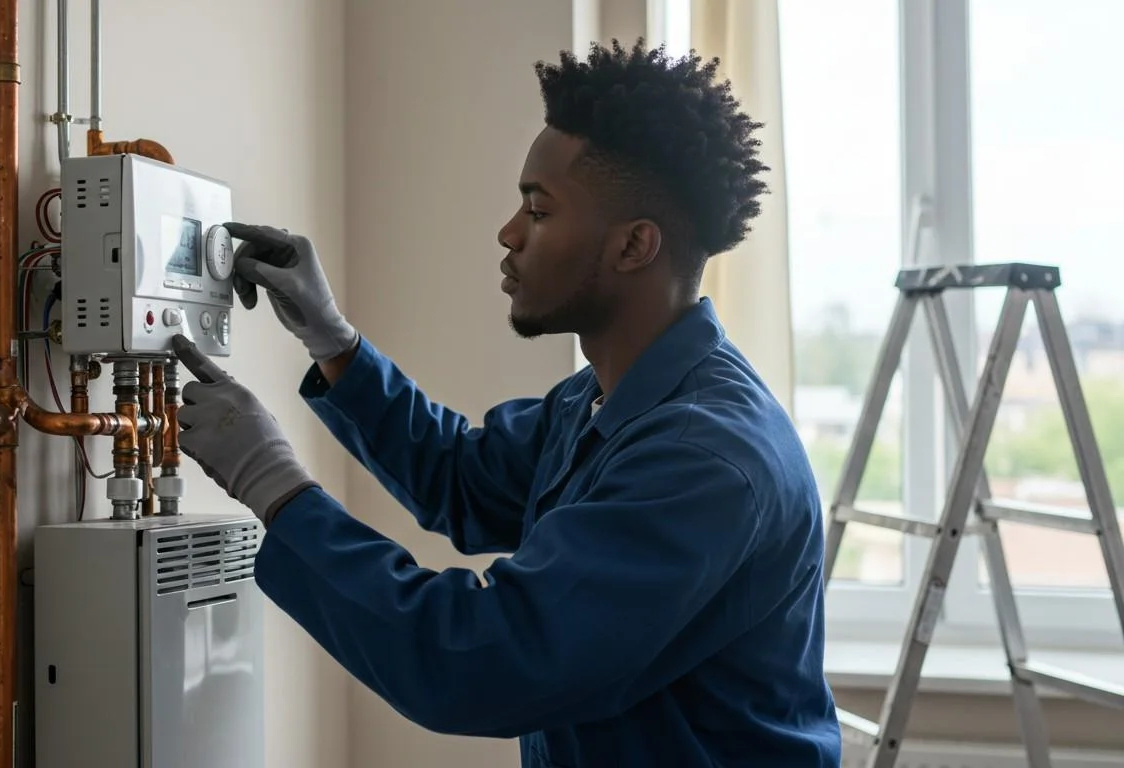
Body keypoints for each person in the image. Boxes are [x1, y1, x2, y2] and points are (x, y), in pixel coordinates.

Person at [170, 39, 841, 767]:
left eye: (539, 210)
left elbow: (484, 662)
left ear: (633, 246)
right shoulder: (606, 399)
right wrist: (336, 343)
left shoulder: (703, 461)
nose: (509, 233)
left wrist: (274, 485)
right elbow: (461, 476)